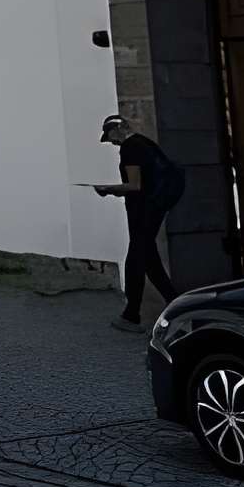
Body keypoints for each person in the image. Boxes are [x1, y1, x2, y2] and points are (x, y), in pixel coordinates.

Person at [96, 113, 184, 331]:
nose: (112, 142)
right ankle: (178, 305)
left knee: (135, 260)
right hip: (154, 208)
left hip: (143, 211)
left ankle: (131, 315)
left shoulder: (130, 148)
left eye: (110, 136)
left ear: (118, 130)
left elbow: (134, 185)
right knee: (150, 260)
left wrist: (107, 189)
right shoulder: (145, 143)